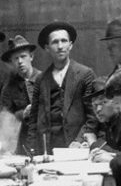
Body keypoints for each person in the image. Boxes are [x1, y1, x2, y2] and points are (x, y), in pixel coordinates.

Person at [27, 21, 98, 153]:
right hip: (48, 149)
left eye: (64, 41)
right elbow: (33, 120)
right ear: (47, 48)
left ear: (70, 45)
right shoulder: (41, 79)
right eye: (55, 42)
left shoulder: (85, 74)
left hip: (76, 148)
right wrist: (31, 150)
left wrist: (78, 141)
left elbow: (92, 117)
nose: (60, 46)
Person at [0, 35, 42, 154]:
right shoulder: (9, 86)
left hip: (45, 137)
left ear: (31, 57)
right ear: (12, 61)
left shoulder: (45, 80)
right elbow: (5, 116)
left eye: (23, 56)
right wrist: (23, 114)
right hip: (23, 140)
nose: (20, 62)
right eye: (15, 58)